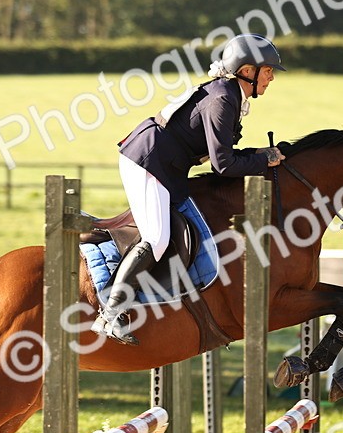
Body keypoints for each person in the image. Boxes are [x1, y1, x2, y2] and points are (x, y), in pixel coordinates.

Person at [93, 34, 287, 344]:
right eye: (268, 71)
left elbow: (225, 155)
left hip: (166, 165)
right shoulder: (224, 97)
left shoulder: (229, 94)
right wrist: (263, 158)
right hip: (148, 160)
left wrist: (260, 156)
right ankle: (110, 314)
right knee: (156, 238)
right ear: (247, 70)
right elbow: (222, 165)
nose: (271, 77)